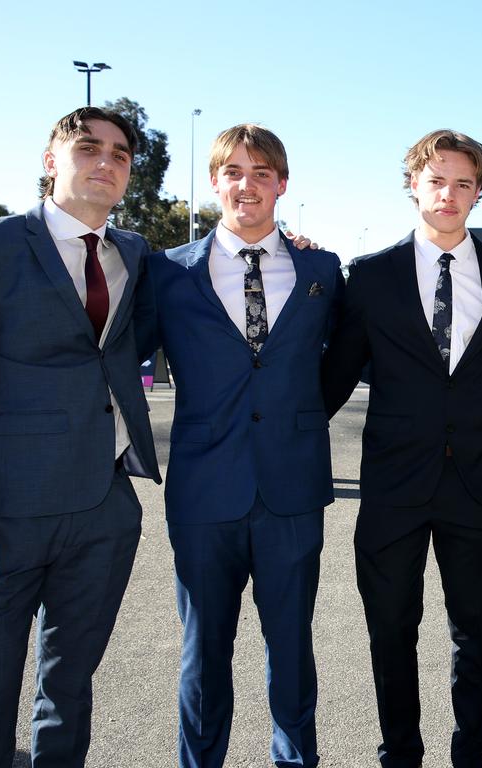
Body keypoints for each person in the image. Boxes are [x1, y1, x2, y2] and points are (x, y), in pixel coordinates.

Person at [0, 106, 160, 768]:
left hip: (101, 514)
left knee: (69, 695)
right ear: (51, 160)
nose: (106, 162)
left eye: (120, 155)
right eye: (89, 148)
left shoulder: (135, 254)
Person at [134, 124, 343, 768]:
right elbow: (121, 358)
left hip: (292, 489)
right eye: (233, 171)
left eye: (261, 173)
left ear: (282, 185)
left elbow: (339, 363)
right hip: (203, 491)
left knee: (292, 650)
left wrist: (303, 419)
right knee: (203, 653)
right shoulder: (167, 272)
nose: (246, 185)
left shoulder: (321, 269)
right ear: (213, 182)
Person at [322, 129, 482, 768]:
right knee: (391, 634)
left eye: (463, 183)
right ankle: (400, 755)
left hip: (477, 486)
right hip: (392, 488)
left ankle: (471, 757)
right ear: (413, 184)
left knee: (477, 638)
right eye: (437, 180)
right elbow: (334, 375)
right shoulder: (370, 276)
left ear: (478, 194)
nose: (449, 193)